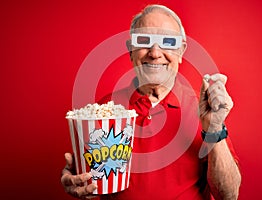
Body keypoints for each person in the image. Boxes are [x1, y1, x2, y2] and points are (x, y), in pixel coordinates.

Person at [61, 4, 241, 200]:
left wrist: (214, 129)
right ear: (131, 50)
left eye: (168, 42)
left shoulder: (203, 111)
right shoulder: (104, 110)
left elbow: (228, 195)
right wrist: (80, 181)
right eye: (144, 41)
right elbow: (93, 178)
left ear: (180, 51)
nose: (155, 53)